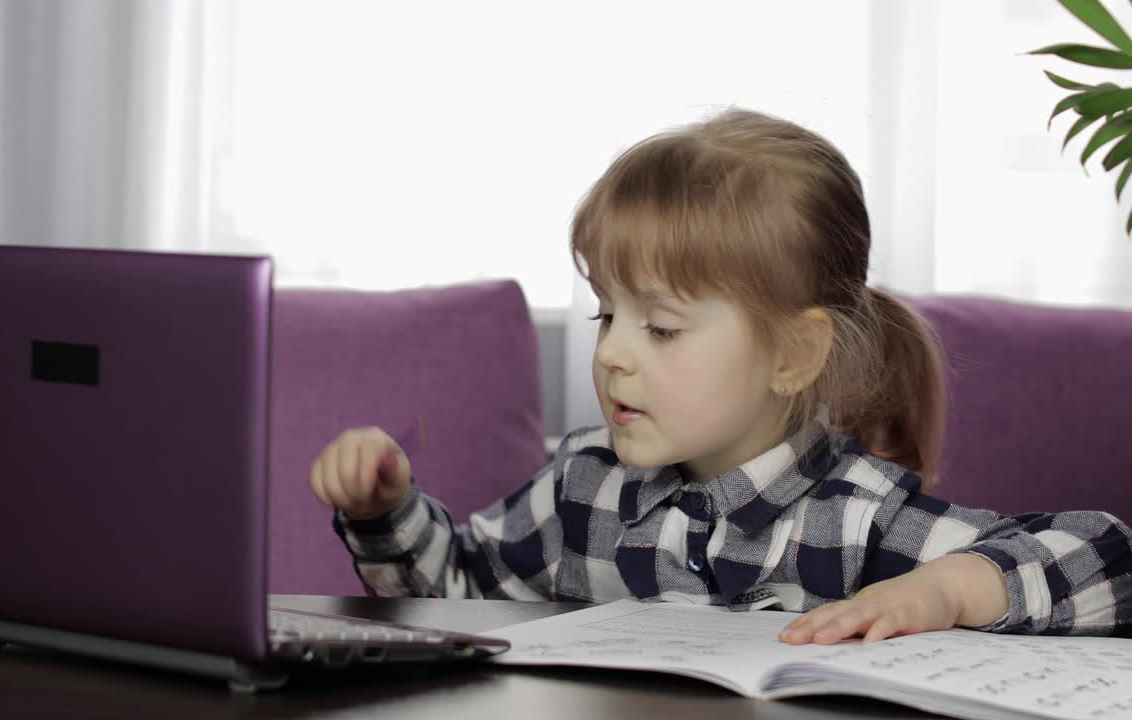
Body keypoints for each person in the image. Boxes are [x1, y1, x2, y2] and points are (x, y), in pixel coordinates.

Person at [309, 108, 1132, 644]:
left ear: (793, 356)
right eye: (606, 314)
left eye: (661, 326)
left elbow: (1109, 559)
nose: (612, 354)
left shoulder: (856, 515)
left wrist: (950, 590)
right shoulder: (583, 487)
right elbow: (455, 589)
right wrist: (386, 513)